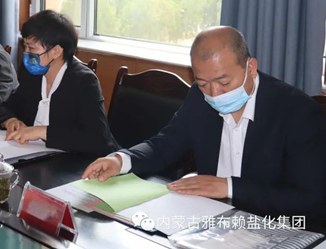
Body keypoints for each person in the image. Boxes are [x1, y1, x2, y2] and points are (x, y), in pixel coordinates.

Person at [82, 26, 326, 221]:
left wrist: (229, 187)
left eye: (224, 82)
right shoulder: (199, 97)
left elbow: (310, 199)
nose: (215, 93)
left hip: (273, 225)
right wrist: (121, 160)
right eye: (203, 83)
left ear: (251, 68)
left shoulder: (298, 113)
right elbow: (166, 144)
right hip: (210, 219)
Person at [0, 10, 119, 156]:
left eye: (32, 48)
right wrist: (11, 121)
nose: (27, 54)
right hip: (36, 156)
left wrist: (41, 132)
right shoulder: (34, 75)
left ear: (56, 51)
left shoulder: (84, 81)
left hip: (79, 161)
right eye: (25, 47)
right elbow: (4, 107)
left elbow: (97, 139)